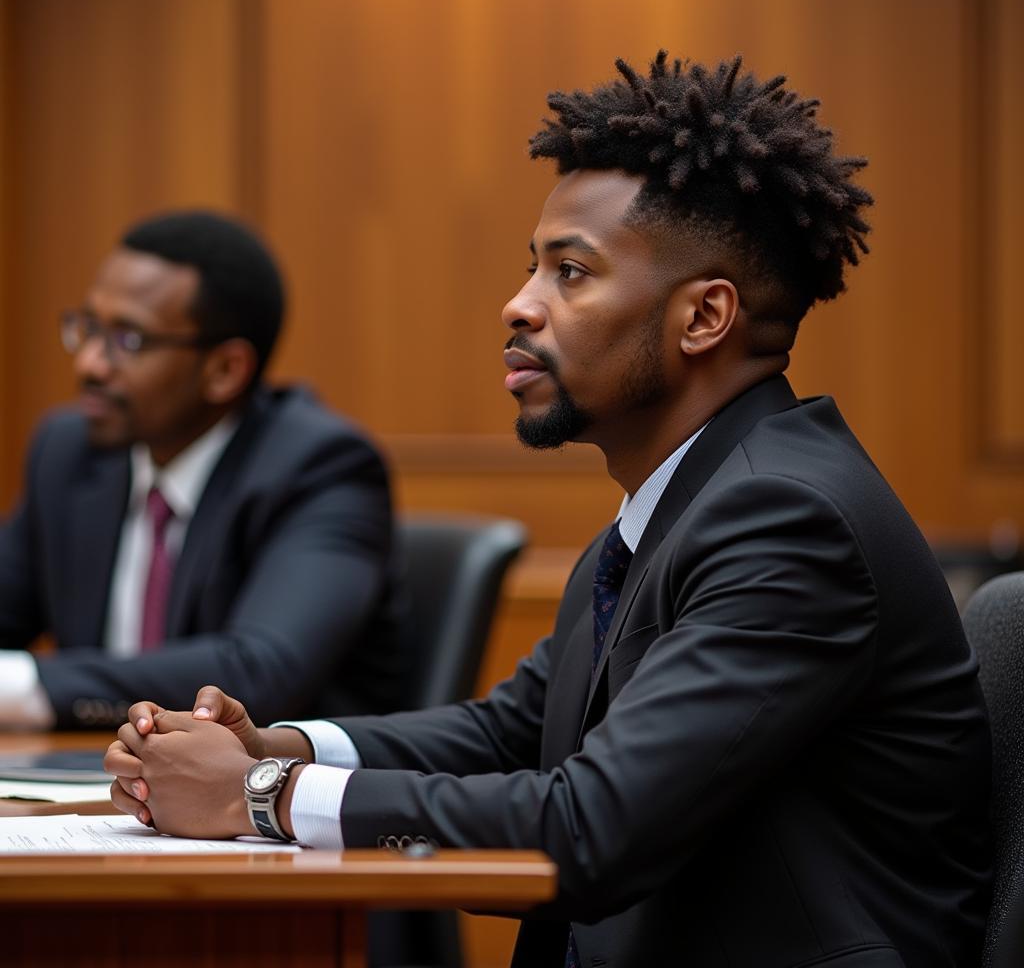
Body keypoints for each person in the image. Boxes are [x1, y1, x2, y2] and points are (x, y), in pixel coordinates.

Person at [106, 56, 991, 967]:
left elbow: (591, 829)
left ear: (705, 317)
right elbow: (513, 733)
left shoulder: (789, 523)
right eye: (532, 268)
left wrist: (260, 794)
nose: (518, 304)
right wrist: (280, 741)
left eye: (570, 272)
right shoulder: (683, 505)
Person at [0, 210, 405, 730]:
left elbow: (259, 671)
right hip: (96, 788)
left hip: (267, 798)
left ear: (225, 370)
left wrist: (28, 687)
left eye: (128, 341)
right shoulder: (71, 452)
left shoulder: (321, 467)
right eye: (90, 328)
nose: (90, 365)